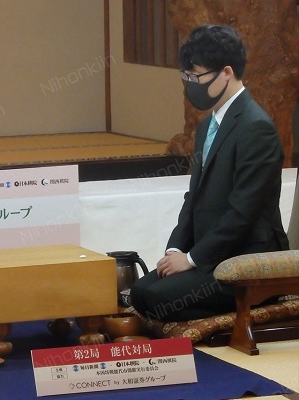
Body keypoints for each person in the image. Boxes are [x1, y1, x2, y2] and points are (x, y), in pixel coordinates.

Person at [130, 25, 289, 322]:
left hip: (246, 256)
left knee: (156, 297)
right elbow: (193, 197)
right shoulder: (207, 126)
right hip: (211, 253)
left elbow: (243, 213)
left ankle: (249, 308)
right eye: (187, 77)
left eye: (197, 77)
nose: (191, 85)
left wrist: (192, 259)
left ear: (226, 72)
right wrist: (175, 249)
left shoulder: (256, 127)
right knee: (139, 291)